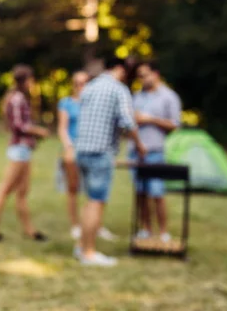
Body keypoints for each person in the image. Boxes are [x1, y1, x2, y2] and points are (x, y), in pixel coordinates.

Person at [75, 57, 146, 267]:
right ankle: (88, 253)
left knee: (89, 201)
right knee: (96, 202)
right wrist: (139, 146)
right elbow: (127, 121)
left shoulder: (89, 87)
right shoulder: (118, 89)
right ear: (120, 69)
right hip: (101, 153)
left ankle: (81, 247)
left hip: (82, 151)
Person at [0, 64, 49, 242]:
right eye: (31, 80)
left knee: (23, 191)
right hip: (19, 150)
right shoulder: (17, 99)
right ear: (25, 81)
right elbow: (18, 126)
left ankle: (30, 230)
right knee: (5, 189)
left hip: (25, 150)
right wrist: (38, 131)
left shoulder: (19, 97)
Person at [57, 71, 118, 241]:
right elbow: (63, 128)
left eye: (84, 82)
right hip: (73, 150)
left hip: (93, 150)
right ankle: (76, 225)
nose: (80, 86)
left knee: (96, 191)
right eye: (77, 83)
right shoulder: (67, 103)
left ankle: (96, 225)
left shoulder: (94, 102)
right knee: (73, 189)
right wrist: (69, 146)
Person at [130, 60, 181, 243]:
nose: (142, 79)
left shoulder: (169, 97)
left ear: (155, 74)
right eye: (139, 76)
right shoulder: (136, 97)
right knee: (141, 193)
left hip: (155, 151)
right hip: (136, 152)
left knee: (157, 193)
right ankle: (146, 228)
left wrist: (150, 119)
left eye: (145, 75)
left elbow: (174, 124)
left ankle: (164, 231)